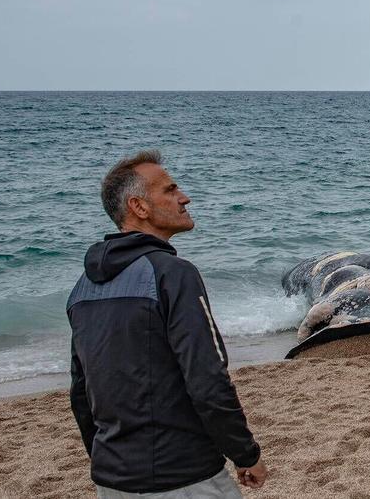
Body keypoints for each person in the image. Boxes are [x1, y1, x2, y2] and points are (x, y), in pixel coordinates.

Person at [67, 150, 268, 497]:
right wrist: (245, 454)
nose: (184, 197)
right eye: (170, 189)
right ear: (139, 207)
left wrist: (107, 461)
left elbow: (81, 392)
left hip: (113, 479)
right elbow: (207, 379)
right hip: (185, 476)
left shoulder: (83, 289)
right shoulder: (173, 274)